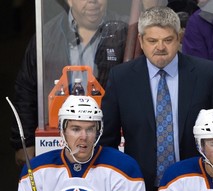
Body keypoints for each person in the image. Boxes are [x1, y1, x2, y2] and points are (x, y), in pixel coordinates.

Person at [99, 6, 213, 191]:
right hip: (139, 188)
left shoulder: (206, 74)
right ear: (142, 41)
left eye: (168, 40)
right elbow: (107, 140)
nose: (160, 47)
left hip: (197, 185)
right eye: (152, 41)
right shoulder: (121, 78)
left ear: (179, 38)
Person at [10, 0, 129, 167]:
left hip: (109, 141)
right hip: (55, 142)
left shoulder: (125, 33)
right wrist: (24, 143)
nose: (93, 1)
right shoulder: (46, 36)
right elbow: (26, 91)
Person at [14, 95, 148, 191]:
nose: (84, 137)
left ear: (98, 131)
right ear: (62, 130)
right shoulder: (36, 171)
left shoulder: (124, 169)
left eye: (90, 129)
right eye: (76, 129)